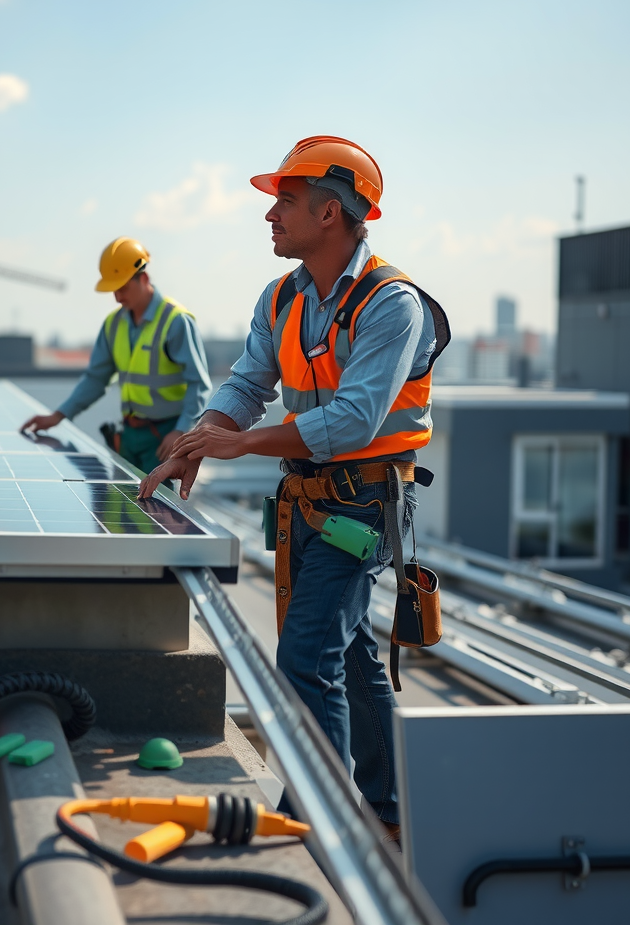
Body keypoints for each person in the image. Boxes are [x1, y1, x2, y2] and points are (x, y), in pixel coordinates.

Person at [138, 136, 448, 839]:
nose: (270, 216)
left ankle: (323, 821)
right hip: (310, 502)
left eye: (284, 201)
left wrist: (240, 443)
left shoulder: (392, 305)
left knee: (306, 655)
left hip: (365, 505)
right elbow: (248, 384)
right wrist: (201, 438)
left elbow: (354, 419)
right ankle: (391, 811)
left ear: (330, 212)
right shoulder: (281, 298)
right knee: (350, 654)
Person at [20, 237, 211, 474]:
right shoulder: (113, 325)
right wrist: (58, 415)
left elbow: (199, 384)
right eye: (114, 290)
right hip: (129, 436)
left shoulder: (175, 322)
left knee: (158, 508)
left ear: (144, 278)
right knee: (117, 507)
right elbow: (95, 379)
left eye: (123, 288)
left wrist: (181, 431)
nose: (118, 297)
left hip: (165, 438)